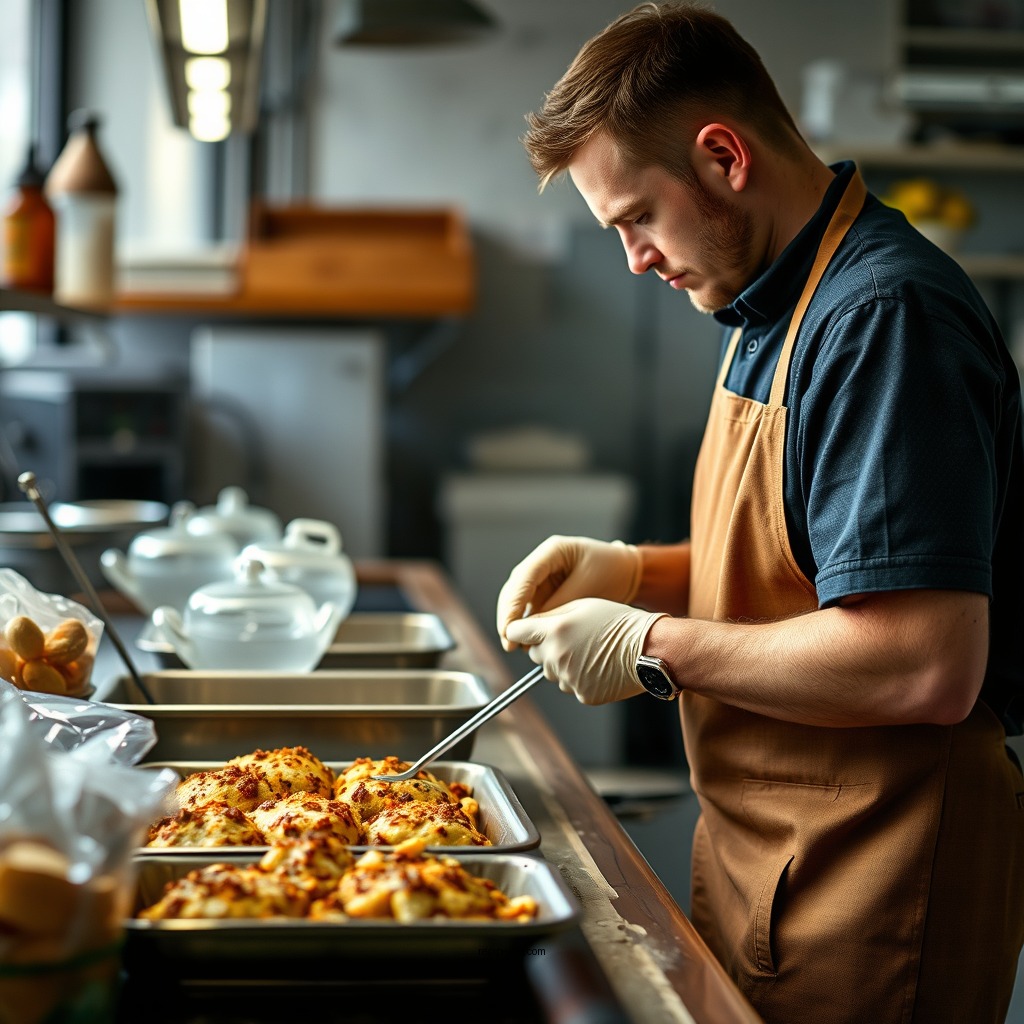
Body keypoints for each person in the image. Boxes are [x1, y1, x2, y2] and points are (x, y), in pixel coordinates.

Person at [494, 4, 1024, 1023]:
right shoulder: (767, 303)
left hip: (876, 877)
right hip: (776, 855)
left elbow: (921, 657)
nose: (635, 260)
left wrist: (651, 642)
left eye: (636, 217)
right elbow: (813, 563)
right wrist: (632, 570)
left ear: (722, 157)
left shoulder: (881, 316)